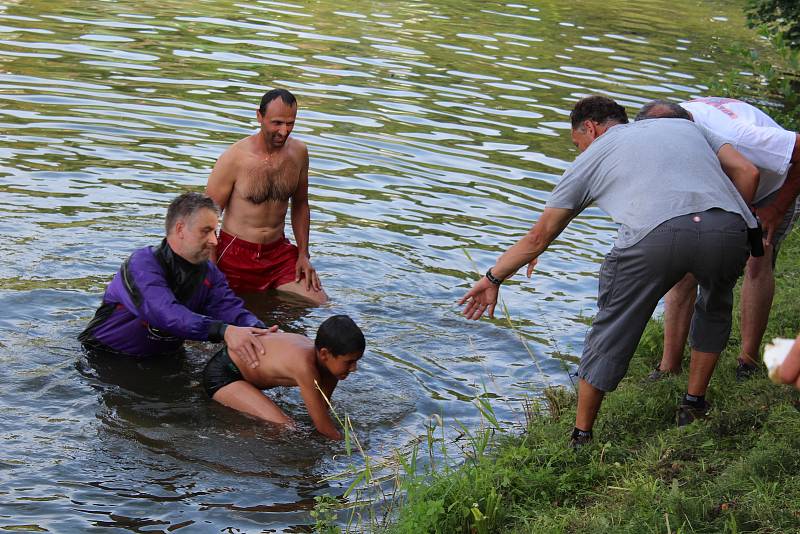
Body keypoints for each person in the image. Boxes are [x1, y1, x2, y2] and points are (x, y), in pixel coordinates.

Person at [459, 95, 760, 447]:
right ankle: (693, 404)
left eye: (577, 143)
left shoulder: (595, 153)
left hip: (656, 237)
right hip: (727, 227)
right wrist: (715, 224)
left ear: (591, 128)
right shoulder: (684, 125)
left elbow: (538, 236)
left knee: (614, 323)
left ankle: (581, 435)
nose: (579, 151)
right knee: (716, 305)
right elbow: (747, 171)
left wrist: (493, 278)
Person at [635, 98, 800, 380]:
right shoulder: (660, 125)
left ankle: (747, 361)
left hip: (774, 188)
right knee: (683, 266)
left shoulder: (738, 136)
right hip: (724, 185)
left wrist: (774, 210)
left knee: (757, 261)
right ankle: (668, 366)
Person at [79, 192, 274, 367]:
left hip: (167, 359)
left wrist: (261, 331)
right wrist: (224, 331)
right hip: (104, 357)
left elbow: (230, 310)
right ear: (180, 229)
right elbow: (165, 313)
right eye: (206, 231)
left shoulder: (210, 274)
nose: (215, 241)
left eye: (215, 232)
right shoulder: (141, 265)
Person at [206, 88, 327, 305]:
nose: (284, 131)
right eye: (277, 123)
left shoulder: (299, 153)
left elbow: (300, 204)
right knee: (221, 310)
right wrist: (210, 266)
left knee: (319, 302)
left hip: (277, 254)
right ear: (259, 117)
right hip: (234, 254)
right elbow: (207, 217)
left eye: (290, 123)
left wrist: (303, 255)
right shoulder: (234, 158)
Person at [203, 315, 364, 440]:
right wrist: (355, 450)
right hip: (224, 373)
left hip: (246, 372)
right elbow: (324, 428)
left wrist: (329, 433)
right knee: (286, 428)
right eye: (349, 362)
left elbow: (322, 413)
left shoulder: (331, 366)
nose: (354, 368)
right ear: (324, 354)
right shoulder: (304, 367)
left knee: (298, 428)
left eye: (356, 361)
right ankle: (223, 435)